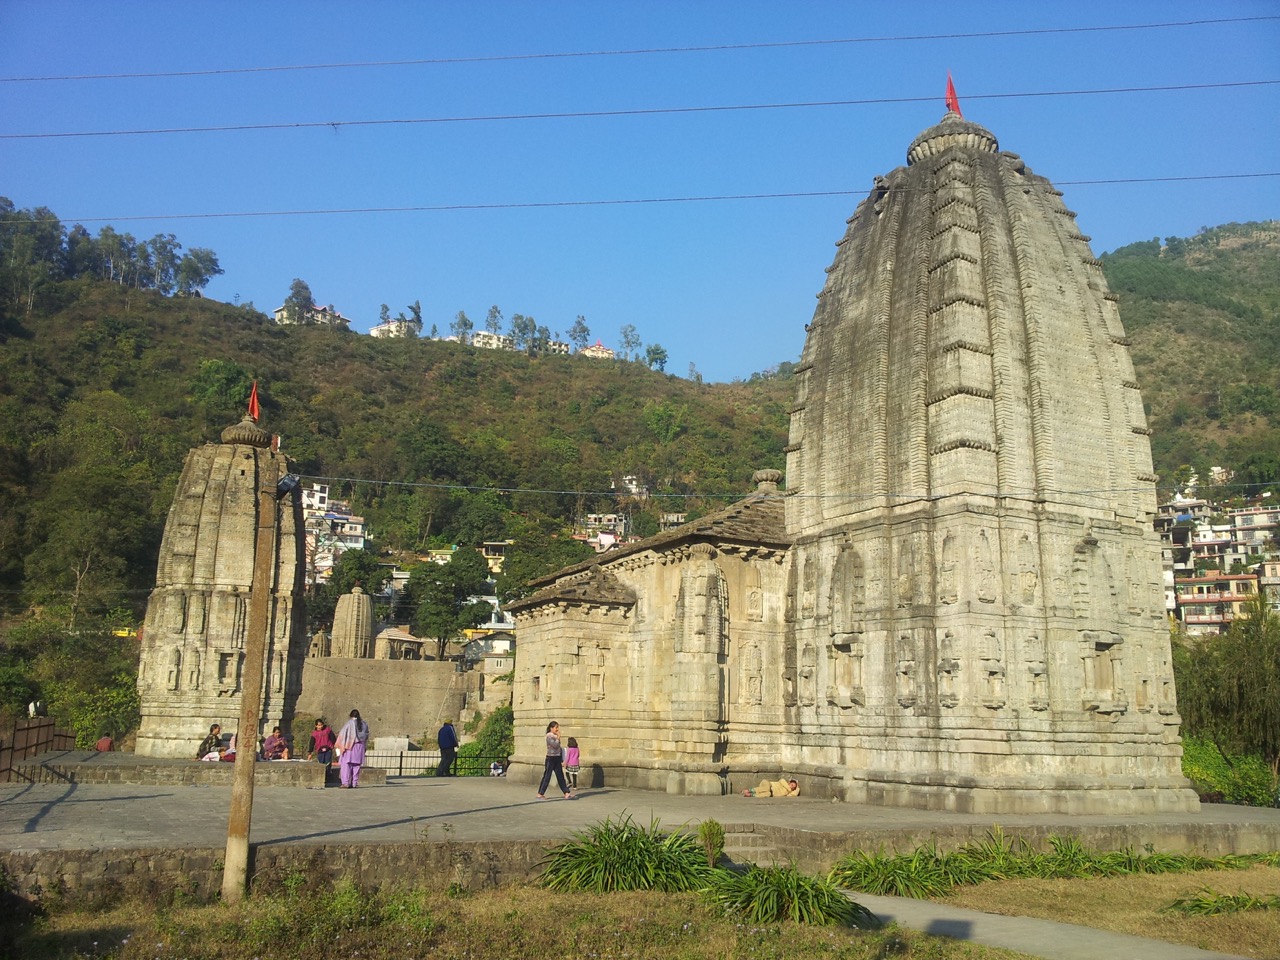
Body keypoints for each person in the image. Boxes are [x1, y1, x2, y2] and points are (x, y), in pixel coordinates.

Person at [537, 721, 573, 799]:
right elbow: (555, 745)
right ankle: (540, 793)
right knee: (547, 776)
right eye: (556, 727)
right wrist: (558, 737)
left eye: (557, 727)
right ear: (551, 728)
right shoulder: (549, 736)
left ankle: (566, 792)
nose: (557, 729)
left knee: (560, 776)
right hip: (550, 758)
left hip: (557, 757)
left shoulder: (555, 735)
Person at [335, 709, 370, 788]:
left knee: (346, 766)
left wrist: (339, 745)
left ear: (350, 715)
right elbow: (367, 735)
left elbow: (342, 735)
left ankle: (345, 783)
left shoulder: (349, 723)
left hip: (350, 747)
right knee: (356, 766)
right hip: (360, 747)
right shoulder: (364, 724)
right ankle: (354, 783)